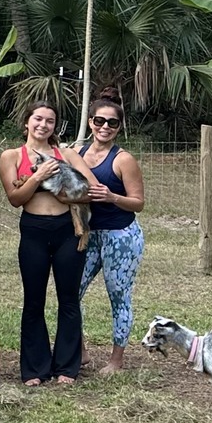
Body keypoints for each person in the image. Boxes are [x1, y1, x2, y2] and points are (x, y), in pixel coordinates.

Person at [1, 101, 90, 386]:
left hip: (66, 230)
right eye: (37, 119)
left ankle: (67, 366)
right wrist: (38, 176)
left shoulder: (67, 154)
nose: (43, 125)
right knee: (34, 300)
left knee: (68, 299)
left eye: (49, 121)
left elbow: (90, 189)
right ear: (26, 122)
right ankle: (35, 368)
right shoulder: (12, 156)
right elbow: (15, 199)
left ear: (55, 126)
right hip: (33, 231)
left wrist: (66, 197)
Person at [77, 94, 146, 371]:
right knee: (71, 291)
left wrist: (111, 197)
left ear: (120, 127)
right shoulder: (78, 153)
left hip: (121, 236)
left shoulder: (123, 159)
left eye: (113, 123)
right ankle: (79, 351)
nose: (105, 127)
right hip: (88, 235)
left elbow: (138, 203)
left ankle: (116, 359)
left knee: (118, 296)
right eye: (99, 121)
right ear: (91, 122)